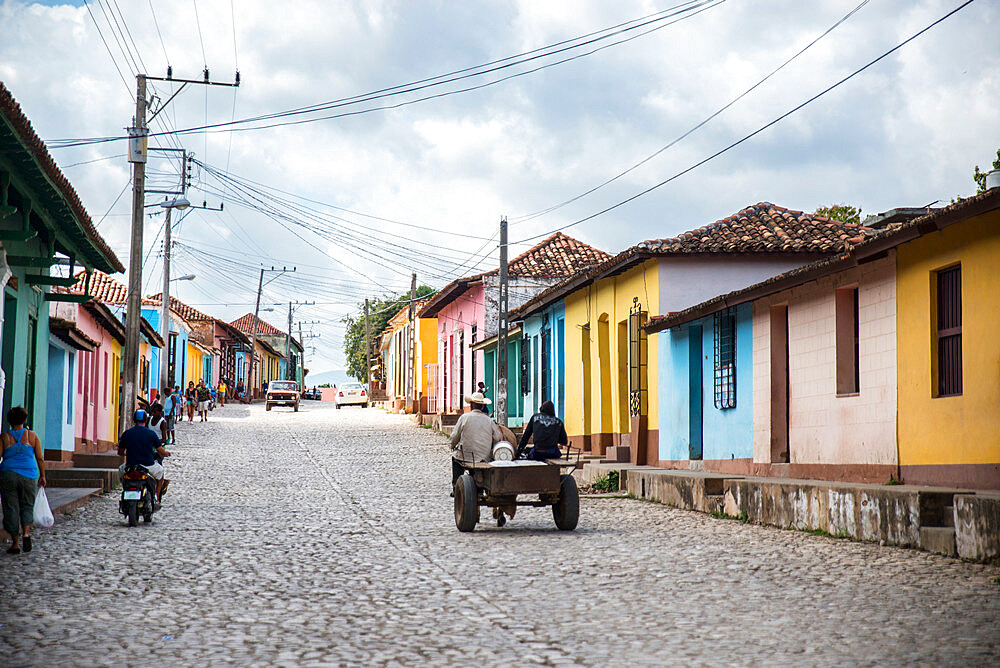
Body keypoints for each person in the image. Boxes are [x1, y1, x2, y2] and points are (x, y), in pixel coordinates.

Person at [0, 407, 45, 554]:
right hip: (29, 474)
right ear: (24, 420)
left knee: (11, 507)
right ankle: (26, 533)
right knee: (27, 505)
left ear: (9, 421)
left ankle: (15, 543)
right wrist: (43, 476)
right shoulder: (32, 436)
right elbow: (39, 457)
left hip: (8, 474)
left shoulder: (4, 437)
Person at [449, 392, 502, 487]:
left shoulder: (464, 418)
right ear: (482, 407)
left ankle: (455, 486)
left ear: (471, 405)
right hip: (484, 457)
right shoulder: (489, 420)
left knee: (455, 459)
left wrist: (452, 446)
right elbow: (497, 438)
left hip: (466, 456)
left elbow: (455, 436)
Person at [118, 409, 171, 503]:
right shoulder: (151, 434)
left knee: (121, 472)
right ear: (146, 420)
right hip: (148, 465)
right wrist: (166, 454)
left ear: (134, 420)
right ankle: (156, 498)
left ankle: (126, 489)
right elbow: (161, 451)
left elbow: (120, 452)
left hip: (130, 465)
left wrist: (127, 453)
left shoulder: (127, 433)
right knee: (161, 474)